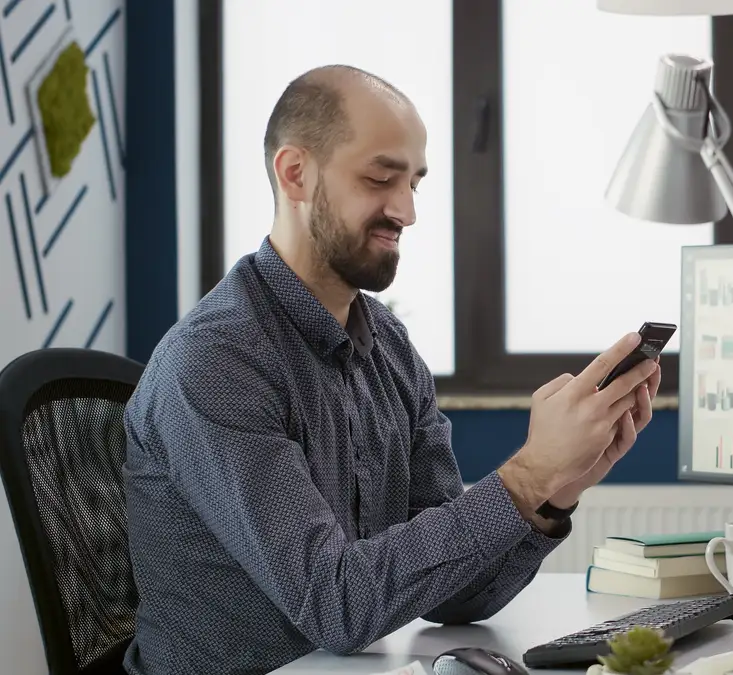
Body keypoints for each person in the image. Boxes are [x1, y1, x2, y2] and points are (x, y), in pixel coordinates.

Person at [121, 64, 662, 675]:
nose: (406, 211)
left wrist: (558, 487)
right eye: (380, 178)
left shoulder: (390, 349)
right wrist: (526, 475)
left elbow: (456, 594)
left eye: (415, 183)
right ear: (295, 174)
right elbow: (335, 606)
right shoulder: (216, 360)